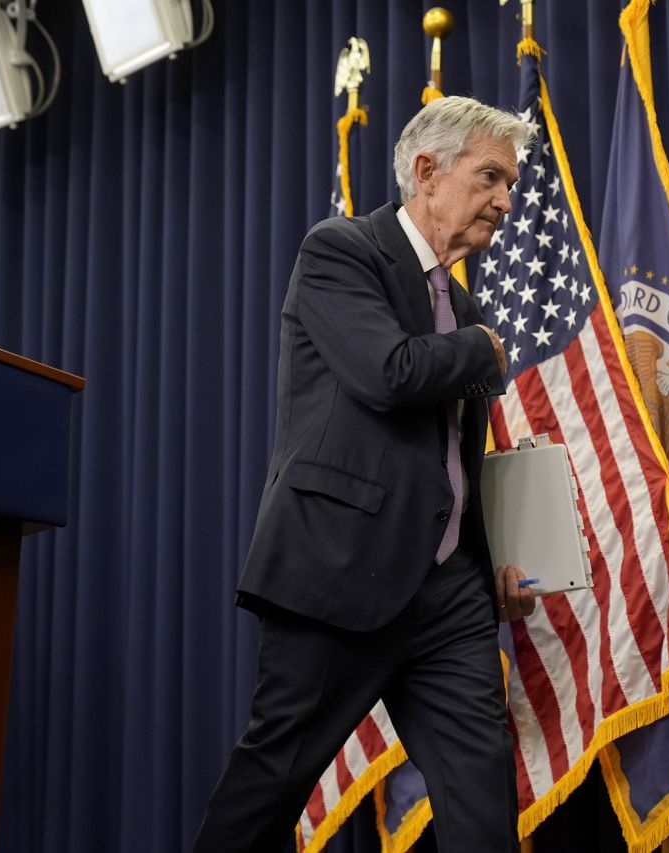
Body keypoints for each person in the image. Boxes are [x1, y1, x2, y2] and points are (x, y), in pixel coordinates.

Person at [192, 97, 535, 853]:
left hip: (449, 597)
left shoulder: (461, 302)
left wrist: (492, 558)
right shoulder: (341, 251)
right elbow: (388, 372)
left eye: (510, 183)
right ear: (425, 171)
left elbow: (448, 460)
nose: (506, 201)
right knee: (271, 780)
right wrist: (481, 350)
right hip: (336, 572)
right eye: (491, 177)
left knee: (484, 803)